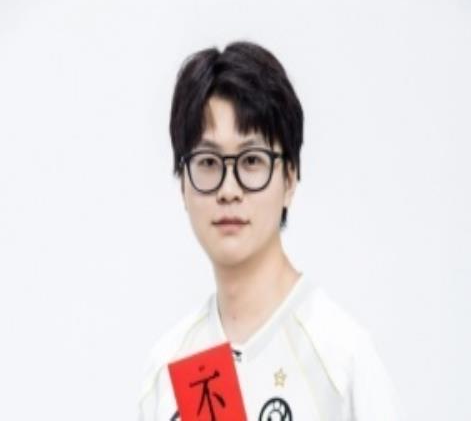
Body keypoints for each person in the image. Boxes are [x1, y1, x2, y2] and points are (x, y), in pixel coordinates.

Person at [138, 41, 400, 420]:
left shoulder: (341, 360)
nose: (229, 190)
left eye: (251, 161)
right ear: (183, 185)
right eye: (208, 162)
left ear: (289, 179)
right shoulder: (168, 369)